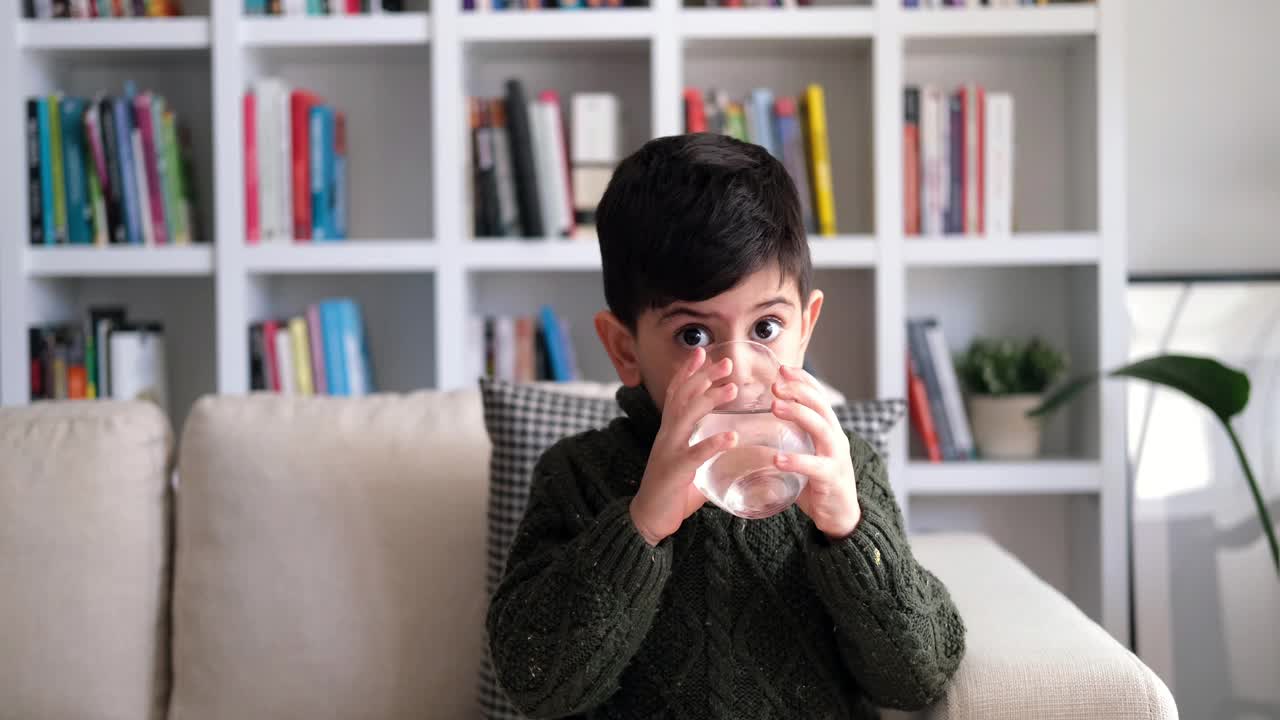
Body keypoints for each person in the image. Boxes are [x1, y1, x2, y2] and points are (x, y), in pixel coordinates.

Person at [487, 133, 965, 719]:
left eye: (766, 327)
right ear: (625, 347)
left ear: (805, 325)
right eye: (693, 334)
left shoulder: (844, 467)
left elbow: (921, 678)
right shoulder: (578, 475)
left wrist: (850, 532)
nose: (736, 368)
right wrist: (640, 526)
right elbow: (531, 679)